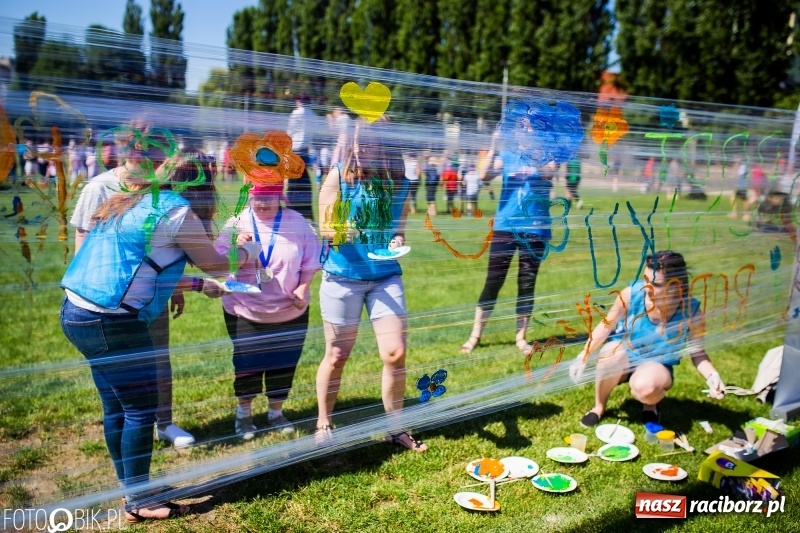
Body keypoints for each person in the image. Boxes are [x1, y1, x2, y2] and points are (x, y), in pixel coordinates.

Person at [60, 149, 260, 522]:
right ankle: (139, 502)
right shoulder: (177, 212)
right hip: (112, 321)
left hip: (77, 311)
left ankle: (131, 488)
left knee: (116, 407)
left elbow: (140, 265)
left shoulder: (136, 198)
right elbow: (216, 263)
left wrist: (196, 284)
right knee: (139, 409)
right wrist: (248, 249)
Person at [70, 129, 196, 449]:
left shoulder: (158, 187)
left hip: (151, 294)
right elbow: (83, 239)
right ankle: (130, 426)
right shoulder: (100, 187)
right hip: (110, 304)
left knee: (158, 358)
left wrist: (175, 286)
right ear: (128, 150)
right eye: (147, 151)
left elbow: (166, 244)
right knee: (121, 379)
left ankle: (164, 423)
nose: (159, 160)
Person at [315, 118, 427, 452]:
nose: (362, 148)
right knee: (337, 355)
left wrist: (397, 241)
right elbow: (324, 228)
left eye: (371, 141)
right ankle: (323, 421)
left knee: (395, 353)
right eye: (359, 141)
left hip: (385, 276)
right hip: (342, 276)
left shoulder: (399, 183)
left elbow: (398, 228)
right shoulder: (339, 176)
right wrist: (341, 230)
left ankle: (395, 429)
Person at [568, 250, 726, 427]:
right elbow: (606, 325)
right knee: (610, 353)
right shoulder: (631, 295)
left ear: (675, 286)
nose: (646, 287)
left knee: (646, 387)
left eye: (655, 284)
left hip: (656, 365)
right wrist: (583, 355)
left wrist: (712, 375)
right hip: (624, 357)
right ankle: (599, 407)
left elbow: (697, 352)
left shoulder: (691, 311)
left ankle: (650, 406)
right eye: (645, 279)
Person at [215, 183, 321, 440]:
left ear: (279, 196)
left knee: (284, 363)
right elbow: (217, 262)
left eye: (268, 197)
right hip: (245, 309)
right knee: (247, 364)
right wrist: (236, 245)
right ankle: (244, 414)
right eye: (257, 197)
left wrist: (303, 287)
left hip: (290, 309)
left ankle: (276, 413)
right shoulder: (236, 223)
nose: (262, 203)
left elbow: (311, 260)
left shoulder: (297, 222)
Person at [460, 129, 553, 356]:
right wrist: (494, 145)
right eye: (523, 129)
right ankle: (475, 336)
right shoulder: (507, 155)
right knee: (493, 281)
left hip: (535, 229)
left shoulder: (547, 154)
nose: (525, 132)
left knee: (526, 283)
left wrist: (534, 151)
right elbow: (484, 175)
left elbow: (548, 173)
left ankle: (521, 338)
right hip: (505, 227)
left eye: (531, 129)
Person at [286, 95, 316, 221]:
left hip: (295, 151)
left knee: (293, 183)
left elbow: (290, 132)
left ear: (299, 101)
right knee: (304, 182)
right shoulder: (312, 114)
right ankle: (305, 208)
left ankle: (293, 208)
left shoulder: (296, 113)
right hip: (305, 152)